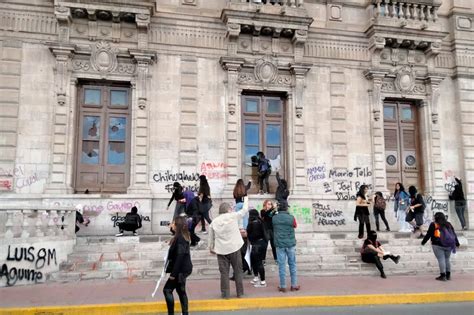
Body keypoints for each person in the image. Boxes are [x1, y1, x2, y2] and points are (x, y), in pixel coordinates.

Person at [208, 197, 249, 299]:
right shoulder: (233, 216)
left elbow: (211, 237)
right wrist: (246, 199)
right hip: (234, 248)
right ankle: (240, 293)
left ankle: (225, 294)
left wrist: (211, 248)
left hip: (221, 250)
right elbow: (244, 210)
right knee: (238, 271)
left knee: (224, 273)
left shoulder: (214, 222)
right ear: (228, 210)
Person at [163, 217, 193, 315]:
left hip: (180, 270)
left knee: (167, 290)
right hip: (183, 269)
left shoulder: (180, 238)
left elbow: (180, 257)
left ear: (177, 226)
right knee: (181, 290)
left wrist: (173, 274)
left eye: (173, 223)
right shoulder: (181, 236)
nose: (171, 225)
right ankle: (185, 313)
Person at [422, 212, 460, 281]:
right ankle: (448, 275)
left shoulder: (434, 224)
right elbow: (453, 234)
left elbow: (428, 234)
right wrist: (457, 243)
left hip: (437, 244)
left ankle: (443, 276)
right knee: (447, 259)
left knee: (441, 259)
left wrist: (423, 242)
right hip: (449, 245)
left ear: (436, 217)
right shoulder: (448, 224)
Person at [272, 203, 299, 292]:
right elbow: (295, 226)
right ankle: (294, 285)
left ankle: (283, 286)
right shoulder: (291, 218)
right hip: (290, 244)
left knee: (282, 266)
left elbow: (269, 216)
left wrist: (274, 209)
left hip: (280, 245)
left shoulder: (274, 218)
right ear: (286, 209)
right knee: (292, 264)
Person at [246, 209, 268, 288]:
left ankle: (262, 281)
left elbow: (250, 235)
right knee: (255, 260)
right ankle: (256, 278)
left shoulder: (252, 224)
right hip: (262, 243)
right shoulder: (260, 221)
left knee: (258, 262)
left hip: (256, 245)